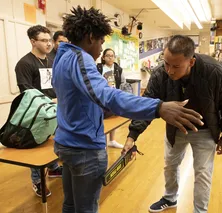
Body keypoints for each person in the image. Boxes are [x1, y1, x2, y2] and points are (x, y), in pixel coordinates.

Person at [52, 7, 203, 213]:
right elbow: (107, 96)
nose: (101, 47)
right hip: (84, 148)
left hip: (66, 143)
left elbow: (78, 99)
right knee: (86, 209)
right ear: (89, 37)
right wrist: (158, 107)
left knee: (70, 205)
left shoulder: (61, 57)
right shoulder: (81, 59)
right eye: (101, 41)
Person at [123, 35, 222, 213]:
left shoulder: (215, 71)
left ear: (191, 62)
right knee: (170, 165)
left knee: (202, 173)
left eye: (176, 66)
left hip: (206, 129)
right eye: (166, 63)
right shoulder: (161, 73)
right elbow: (148, 104)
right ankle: (170, 198)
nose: (169, 70)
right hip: (175, 128)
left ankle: (200, 211)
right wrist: (132, 135)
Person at [14, 25, 62, 197]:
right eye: (44, 40)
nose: (49, 44)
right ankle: (37, 181)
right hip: (36, 113)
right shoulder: (24, 64)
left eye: (49, 40)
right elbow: (26, 92)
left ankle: (54, 168)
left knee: (56, 141)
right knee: (37, 148)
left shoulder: (51, 59)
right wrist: (50, 100)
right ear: (33, 41)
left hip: (55, 109)